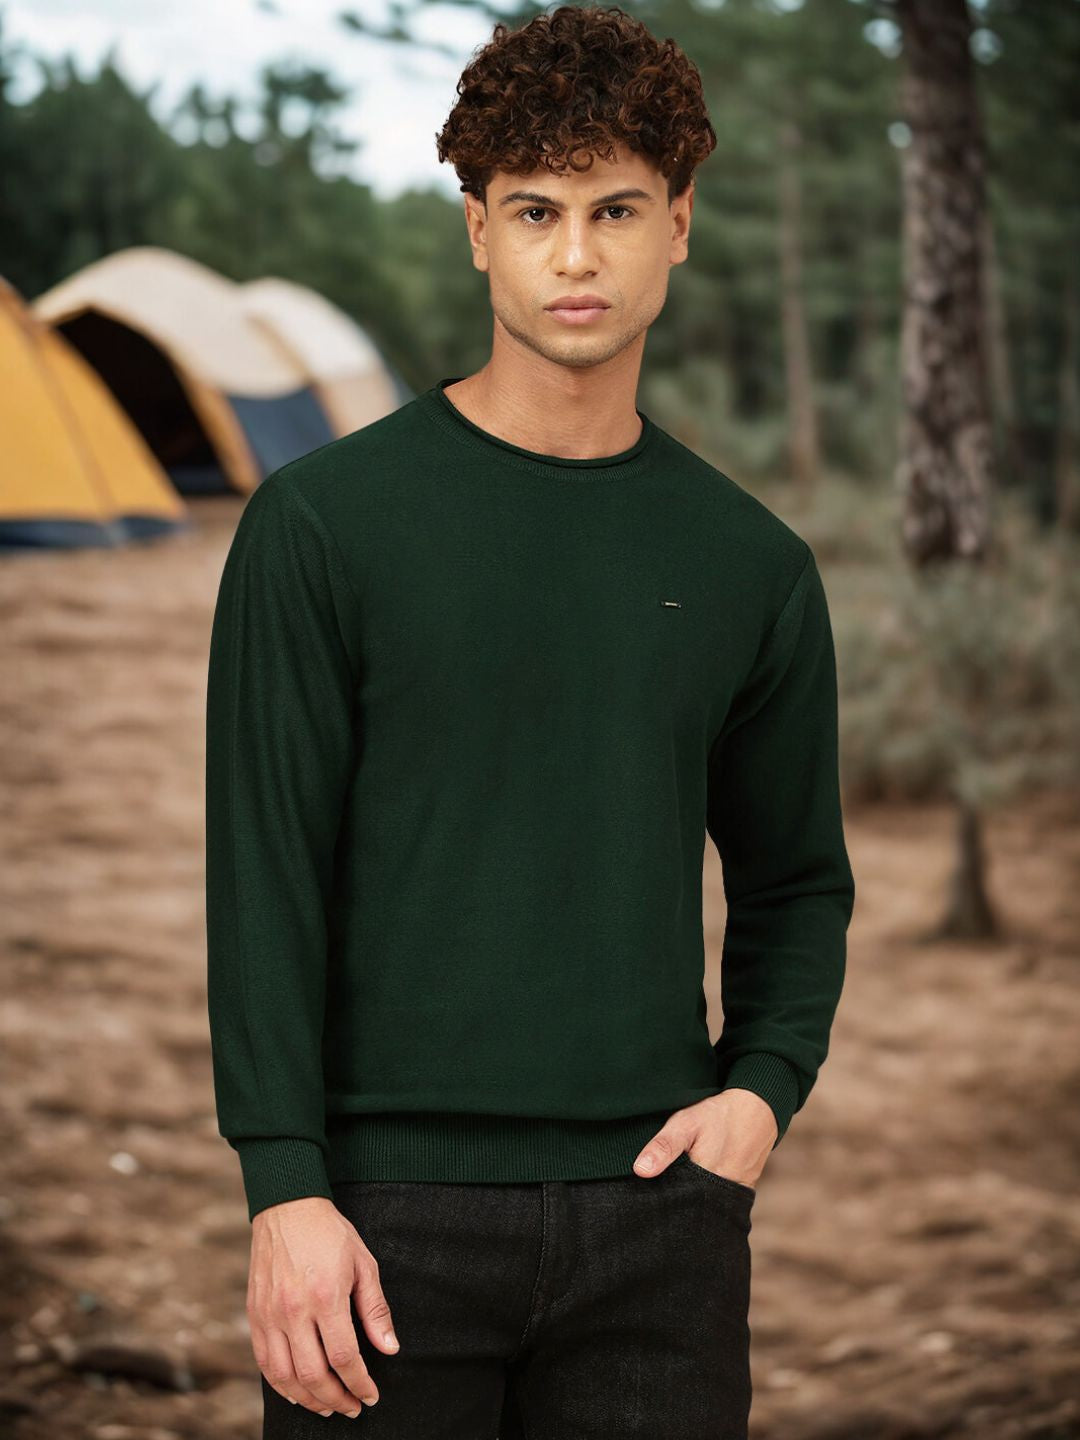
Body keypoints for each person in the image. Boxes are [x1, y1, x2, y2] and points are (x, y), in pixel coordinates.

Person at [204, 6, 856, 1436]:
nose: (577, 255)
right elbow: (265, 879)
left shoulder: (748, 562)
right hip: (380, 1227)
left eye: (618, 209)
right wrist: (285, 1185)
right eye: (536, 210)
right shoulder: (321, 526)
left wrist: (758, 1096)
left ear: (678, 225)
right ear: (476, 228)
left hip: (659, 1224)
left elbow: (799, 877)